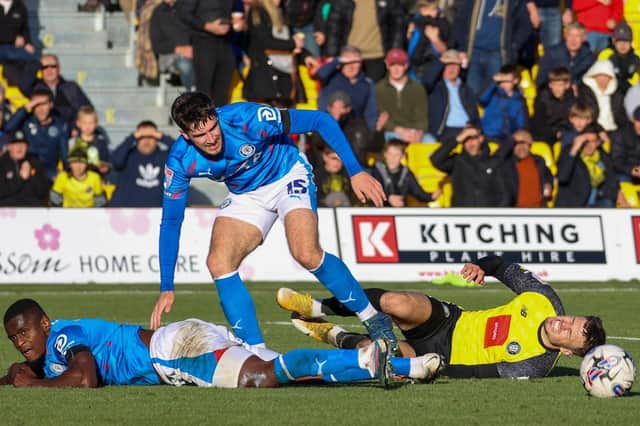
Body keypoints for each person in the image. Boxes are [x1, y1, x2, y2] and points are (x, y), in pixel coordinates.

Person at [154, 92, 396, 354]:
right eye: (200, 135)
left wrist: (355, 171)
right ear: (185, 134)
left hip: (287, 174)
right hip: (246, 194)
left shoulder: (246, 119)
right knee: (218, 263)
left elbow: (320, 120)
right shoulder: (179, 160)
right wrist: (167, 285)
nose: (211, 138)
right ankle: (257, 353)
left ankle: (374, 319)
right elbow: (171, 221)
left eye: (213, 128)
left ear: (217, 117)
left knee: (305, 253)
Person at [276, 254, 607, 379]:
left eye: (569, 333)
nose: (563, 323)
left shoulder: (534, 365)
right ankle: (318, 306)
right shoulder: (544, 301)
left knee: (373, 353)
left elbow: (479, 373)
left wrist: (433, 368)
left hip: (441, 356)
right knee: (397, 302)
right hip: (452, 321)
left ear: (566, 351)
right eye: (572, 320)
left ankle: (330, 334)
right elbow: (500, 263)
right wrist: (481, 265)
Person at [0, 299, 444, 388]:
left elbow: (83, 379)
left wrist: (28, 385)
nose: (21, 343)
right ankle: (406, 367)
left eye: (25, 332)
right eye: (13, 339)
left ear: (44, 323)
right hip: (179, 342)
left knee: (262, 378)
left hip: (171, 353)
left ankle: (370, 357)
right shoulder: (48, 349)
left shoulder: (63, 336)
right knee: (294, 377)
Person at [451, 0, 532, 95]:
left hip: (498, 54)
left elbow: (525, 25)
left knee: (493, 95)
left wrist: (513, 46)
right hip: (473, 53)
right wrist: (462, 48)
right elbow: (459, 21)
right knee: (472, 95)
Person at [321, 0, 405, 82]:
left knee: (374, 93)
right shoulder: (341, 2)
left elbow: (397, 25)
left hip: (377, 56)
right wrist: (332, 55)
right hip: (350, 57)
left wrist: (395, 54)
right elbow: (334, 29)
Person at [430, 125, 512, 207]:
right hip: (462, 215)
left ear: (481, 139)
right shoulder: (457, 161)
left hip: (487, 216)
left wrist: (495, 215)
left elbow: (505, 194)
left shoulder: (493, 161)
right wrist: (458, 138)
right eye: (465, 139)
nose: (470, 143)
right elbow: (436, 160)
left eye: (472, 138)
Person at [4, 87, 69, 181]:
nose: (40, 109)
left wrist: (67, 173)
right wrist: (26, 107)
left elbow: (65, 154)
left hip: (49, 170)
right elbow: (8, 128)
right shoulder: (26, 121)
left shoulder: (60, 125)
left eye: (44, 104)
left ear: (51, 105)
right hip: (26, 167)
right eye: (36, 104)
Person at [177, 0, 235, 106]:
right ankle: (203, 120)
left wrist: (234, 22)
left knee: (223, 90)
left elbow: (235, 10)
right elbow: (184, 13)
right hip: (204, 41)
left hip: (226, 42)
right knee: (204, 90)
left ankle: (220, 120)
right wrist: (206, 26)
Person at [109, 120, 174, 207]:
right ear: (136, 138)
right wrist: (132, 137)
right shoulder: (127, 155)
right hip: (126, 213)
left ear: (157, 139)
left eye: (151, 136)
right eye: (142, 136)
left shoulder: (165, 157)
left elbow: (185, 155)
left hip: (157, 213)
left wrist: (162, 136)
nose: (146, 140)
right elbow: (115, 162)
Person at [375, 48, 431, 143]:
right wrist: (399, 130)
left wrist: (419, 133)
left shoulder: (417, 88)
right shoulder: (379, 88)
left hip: (415, 131)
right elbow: (381, 116)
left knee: (431, 144)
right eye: (392, 65)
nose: (396, 69)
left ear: (406, 65)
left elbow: (422, 116)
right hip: (391, 131)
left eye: (400, 65)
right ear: (387, 65)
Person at [316, 46, 379, 131]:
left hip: (353, 131)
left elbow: (371, 112)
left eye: (355, 62)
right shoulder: (331, 77)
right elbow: (320, 74)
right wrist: (338, 60)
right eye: (347, 62)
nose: (351, 66)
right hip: (328, 128)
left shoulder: (367, 84)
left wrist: (371, 133)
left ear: (361, 64)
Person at [422, 49, 480, 142]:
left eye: (455, 65)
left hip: (467, 129)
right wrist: (441, 61)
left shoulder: (466, 90)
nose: (451, 68)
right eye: (448, 65)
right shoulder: (436, 87)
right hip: (445, 130)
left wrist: (475, 128)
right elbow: (426, 81)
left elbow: (474, 114)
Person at [556, 123, 618, 207]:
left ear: (598, 142)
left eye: (593, 141)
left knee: (608, 204)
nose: (589, 145)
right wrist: (574, 149)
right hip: (574, 205)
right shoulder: (568, 153)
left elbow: (612, 183)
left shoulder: (603, 157)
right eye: (585, 141)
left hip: (597, 203)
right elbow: (562, 177)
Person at [371, 139, 441, 207]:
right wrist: (388, 198)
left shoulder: (406, 172)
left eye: (397, 155)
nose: (393, 158)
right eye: (390, 154)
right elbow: (373, 191)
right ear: (385, 154)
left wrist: (431, 197)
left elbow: (417, 191)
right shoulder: (377, 169)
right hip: (379, 211)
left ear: (402, 156)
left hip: (400, 211)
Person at [32, 54, 93, 128]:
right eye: (45, 67)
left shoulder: (71, 88)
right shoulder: (34, 88)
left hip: (70, 133)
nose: (49, 70)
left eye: (53, 66)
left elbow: (86, 110)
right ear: (40, 70)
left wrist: (75, 128)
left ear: (59, 68)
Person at [150, 0, 195, 90]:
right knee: (186, 65)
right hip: (170, 55)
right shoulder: (158, 13)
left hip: (195, 50)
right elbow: (156, 45)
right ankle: (192, 95)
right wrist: (179, 49)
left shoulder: (189, 8)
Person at [503, 129, 553, 207]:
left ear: (530, 145)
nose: (521, 147)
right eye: (516, 144)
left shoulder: (539, 161)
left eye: (524, 143)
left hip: (539, 211)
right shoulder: (507, 164)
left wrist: (548, 184)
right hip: (515, 212)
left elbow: (548, 176)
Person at [478, 65, 529, 143]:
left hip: (507, 139)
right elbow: (481, 98)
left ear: (515, 81)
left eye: (506, 81)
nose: (502, 84)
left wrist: (517, 136)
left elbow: (521, 123)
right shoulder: (493, 94)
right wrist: (493, 80)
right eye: (500, 81)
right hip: (488, 135)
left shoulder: (519, 101)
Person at [536, 22, 594, 88]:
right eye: (570, 35)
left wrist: (574, 84)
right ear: (565, 36)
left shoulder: (588, 56)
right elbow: (541, 81)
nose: (573, 40)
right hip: (552, 92)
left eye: (577, 36)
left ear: (584, 38)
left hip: (577, 92)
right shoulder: (552, 54)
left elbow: (589, 79)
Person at [577, 59, 628, 134]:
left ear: (611, 77)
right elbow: (584, 116)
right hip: (593, 130)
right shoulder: (585, 93)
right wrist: (598, 130)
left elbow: (622, 117)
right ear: (593, 76)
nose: (603, 79)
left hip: (616, 130)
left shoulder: (618, 93)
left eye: (606, 76)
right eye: (599, 75)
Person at [0, 130, 49, 207]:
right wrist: (21, 178)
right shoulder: (2, 164)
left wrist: (30, 176)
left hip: (31, 209)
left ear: (27, 147)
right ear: (9, 147)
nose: (20, 147)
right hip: (8, 210)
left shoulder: (35, 162)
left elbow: (42, 191)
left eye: (23, 144)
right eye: (15, 144)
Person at [531, 66, 576, 145]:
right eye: (554, 85)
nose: (557, 88)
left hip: (565, 133)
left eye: (560, 85)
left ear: (567, 85)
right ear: (550, 85)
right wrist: (556, 132)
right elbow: (538, 125)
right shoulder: (542, 100)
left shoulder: (572, 100)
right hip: (545, 137)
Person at [68, 105, 111, 178]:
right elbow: (69, 162)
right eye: (84, 123)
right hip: (78, 180)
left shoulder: (101, 142)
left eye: (91, 123)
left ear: (96, 124)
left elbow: (106, 161)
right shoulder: (73, 142)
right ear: (78, 123)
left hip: (96, 178)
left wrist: (104, 168)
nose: (87, 126)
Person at [605, 22, 640, 94]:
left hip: (631, 93)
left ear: (631, 42)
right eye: (619, 41)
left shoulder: (635, 59)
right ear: (614, 42)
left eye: (626, 41)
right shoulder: (609, 57)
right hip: (613, 93)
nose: (622, 45)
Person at [611, 106, 640, 184]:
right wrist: (632, 170)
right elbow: (616, 161)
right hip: (625, 173)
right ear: (633, 120)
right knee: (623, 182)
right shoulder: (620, 135)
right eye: (638, 121)